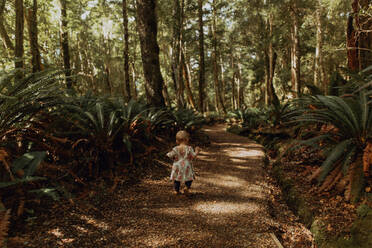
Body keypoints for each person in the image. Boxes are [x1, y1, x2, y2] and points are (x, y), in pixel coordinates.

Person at [167, 130, 200, 195]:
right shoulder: (189, 148)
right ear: (187, 140)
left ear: (177, 141)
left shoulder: (175, 148)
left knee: (177, 179)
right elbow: (193, 156)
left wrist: (172, 157)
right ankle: (187, 188)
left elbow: (169, 155)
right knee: (189, 178)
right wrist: (197, 151)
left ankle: (177, 190)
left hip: (177, 165)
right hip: (186, 165)